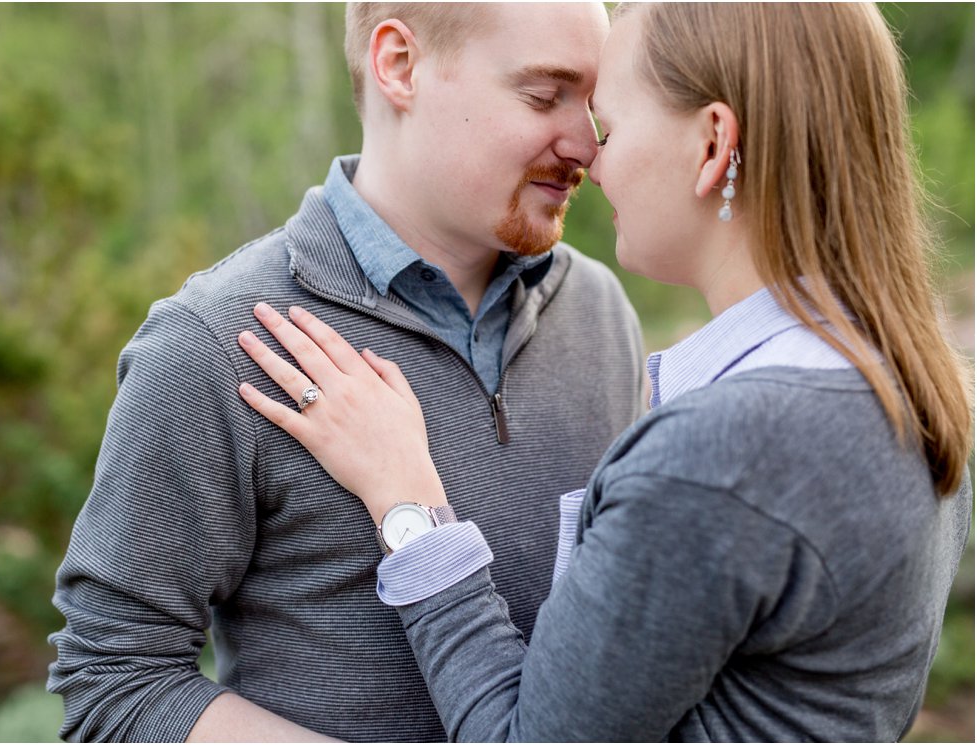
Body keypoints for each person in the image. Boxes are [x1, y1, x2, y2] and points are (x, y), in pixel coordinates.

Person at [237, 2, 974, 741]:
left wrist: (408, 502)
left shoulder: (719, 452)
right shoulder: (897, 384)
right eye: (544, 98)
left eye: (610, 125)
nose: (592, 154)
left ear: (714, 143)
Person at [48, 2, 644, 742]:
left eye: (592, 102)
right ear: (399, 65)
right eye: (543, 96)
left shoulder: (600, 312)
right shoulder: (212, 341)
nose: (586, 143)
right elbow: (113, 682)